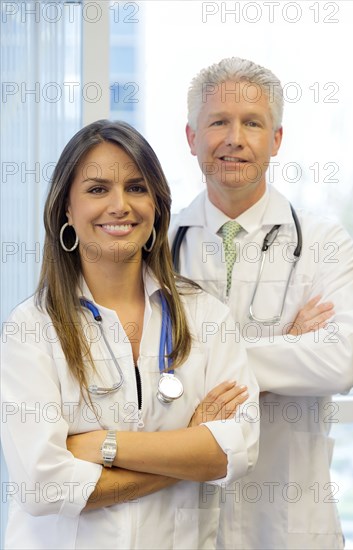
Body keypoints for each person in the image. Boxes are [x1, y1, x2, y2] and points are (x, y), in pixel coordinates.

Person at [0, 120, 260, 550]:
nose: (120, 206)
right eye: (98, 189)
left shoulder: (206, 318)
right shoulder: (31, 328)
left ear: (157, 204)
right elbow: (42, 486)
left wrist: (103, 445)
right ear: (67, 208)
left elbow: (238, 451)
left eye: (137, 188)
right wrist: (186, 456)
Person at [169, 57, 353, 549]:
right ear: (192, 138)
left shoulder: (324, 242)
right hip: (185, 517)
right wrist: (285, 347)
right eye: (218, 122)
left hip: (289, 522)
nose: (235, 138)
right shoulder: (157, 247)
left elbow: (339, 364)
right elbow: (144, 382)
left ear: (275, 139)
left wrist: (204, 364)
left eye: (252, 123)